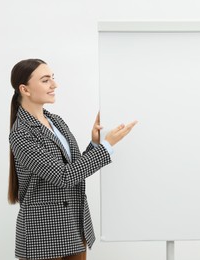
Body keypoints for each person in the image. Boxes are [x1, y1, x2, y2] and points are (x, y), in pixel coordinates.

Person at [8, 59, 137, 260]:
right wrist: (106, 147)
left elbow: (74, 169)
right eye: (45, 80)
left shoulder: (56, 121)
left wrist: (95, 144)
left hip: (74, 228)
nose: (54, 85)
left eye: (53, 78)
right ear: (25, 89)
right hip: (43, 235)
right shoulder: (21, 134)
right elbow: (63, 177)